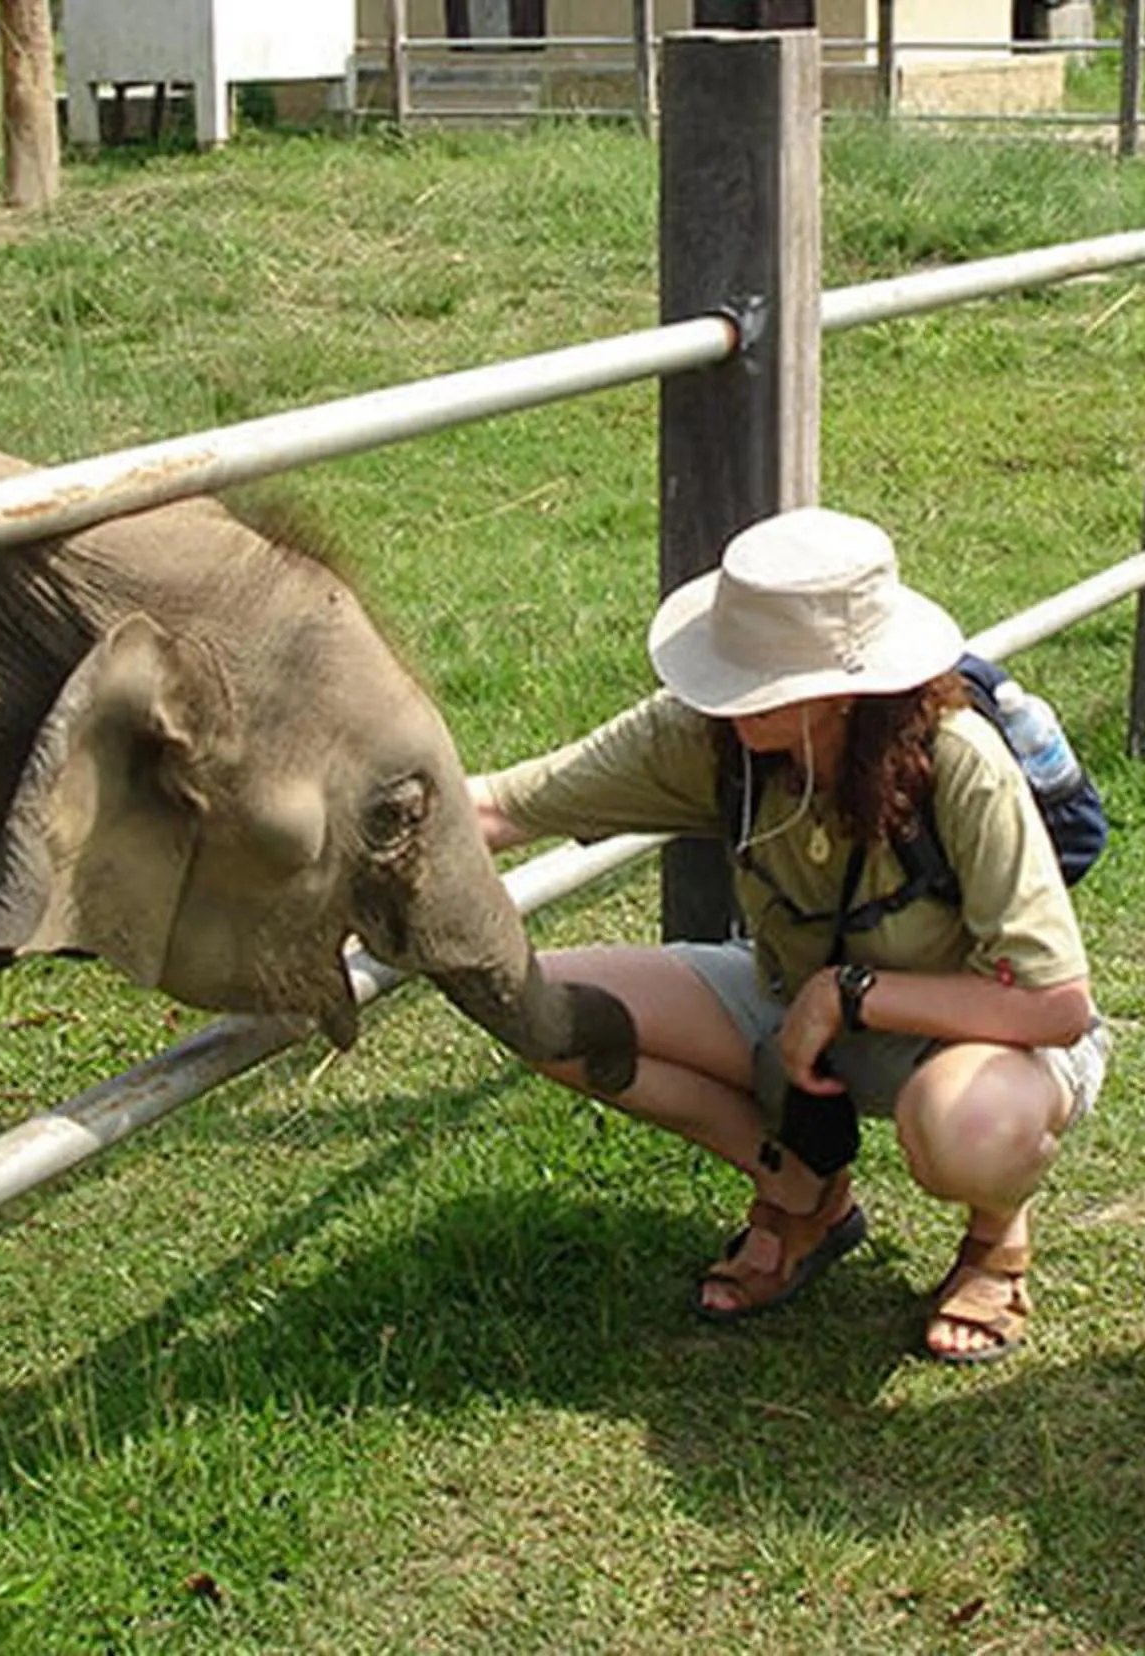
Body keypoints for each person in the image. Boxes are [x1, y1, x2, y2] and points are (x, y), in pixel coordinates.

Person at [472, 506, 1111, 1363]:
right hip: (782, 997)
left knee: (969, 1129)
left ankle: (997, 1235)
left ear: (843, 691)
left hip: (976, 1034)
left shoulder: (961, 760)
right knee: (537, 1009)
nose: (725, 699)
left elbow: (1054, 1003)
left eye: (757, 682)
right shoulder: (711, 735)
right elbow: (500, 807)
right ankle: (802, 1192)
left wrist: (848, 996)